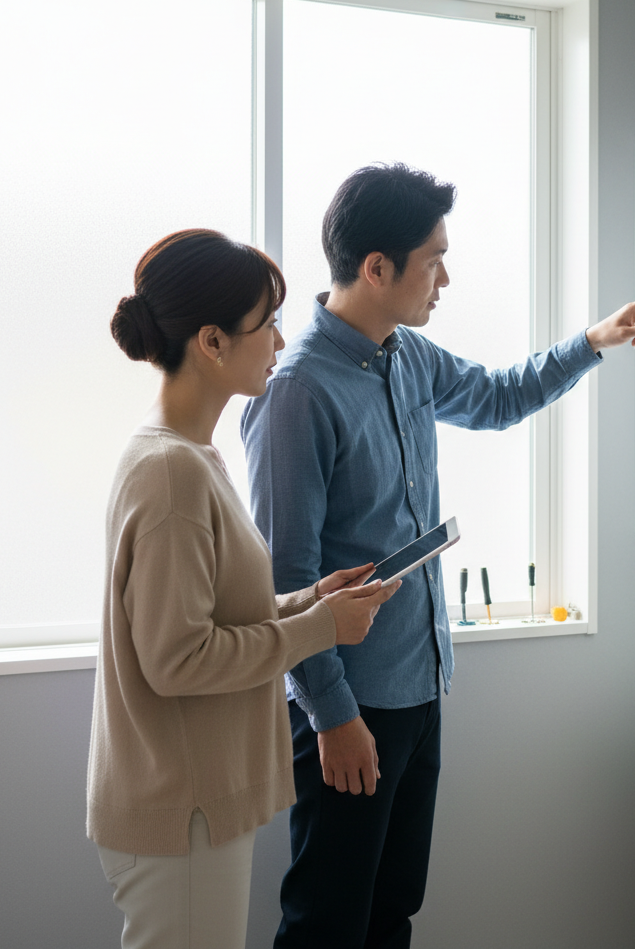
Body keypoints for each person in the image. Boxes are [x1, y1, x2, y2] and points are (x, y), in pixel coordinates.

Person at [241, 164, 635, 949]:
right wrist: (335, 718)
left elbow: (498, 397)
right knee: (325, 924)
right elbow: (285, 580)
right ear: (377, 268)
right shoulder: (298, 391)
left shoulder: (406, 354)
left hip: (419, 686)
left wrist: (594, 342)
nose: (446, 277)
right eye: (433, 259)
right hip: (348, 707)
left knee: (393, 911)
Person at [87, 228, 401, 949]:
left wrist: (311, 600)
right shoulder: (172, 471)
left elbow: (214, 618)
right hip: (180, 808)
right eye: (266, 325)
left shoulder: (192, 455)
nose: (282, 342)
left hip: (187, 804)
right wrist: (321, 630)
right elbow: (178, 659)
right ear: (212, 342)